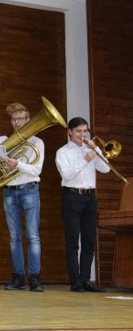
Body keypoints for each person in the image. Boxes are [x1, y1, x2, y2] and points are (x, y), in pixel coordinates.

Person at [0, 102, 44, 292]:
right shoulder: (4, 139)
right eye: (14, 119)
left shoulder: (37, 142)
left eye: (21, 118)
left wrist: (17, 165)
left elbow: (37, 169)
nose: (17, 122)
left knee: (33, 236)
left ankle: (35, 278)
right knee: (14, 237)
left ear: (28, 119)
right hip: (10, 192)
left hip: (30, 190)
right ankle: (18, 278)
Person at [55, 117, 110, 293]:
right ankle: (76, 281)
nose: (82, 134)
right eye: (78, 131)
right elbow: (67, 174)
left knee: (88, 241)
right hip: (72, 196)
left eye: (85, 131)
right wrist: (84, 159)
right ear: (70, 131)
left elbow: (106, 169)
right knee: (73, 241)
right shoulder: (63, 152)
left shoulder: (90, 149)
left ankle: (86, 280)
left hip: (89, 198)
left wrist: (97, 151)